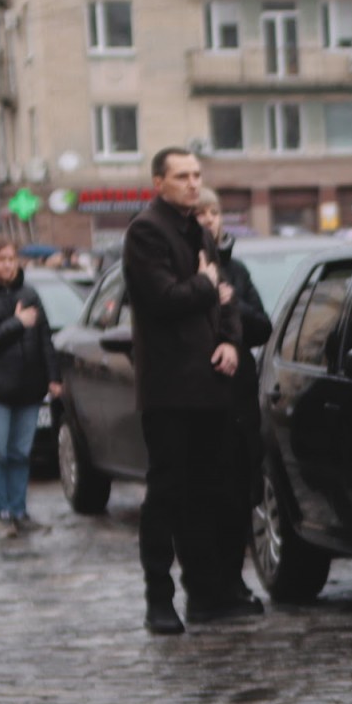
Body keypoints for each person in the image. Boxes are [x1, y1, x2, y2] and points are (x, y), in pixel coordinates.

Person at [123, 146, 257, 636]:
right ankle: (158, 598)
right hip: (169, 388)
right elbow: (163, 300)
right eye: (182, 176)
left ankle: (209, 594)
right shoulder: (145, 232)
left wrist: (230, 342)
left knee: (212, 492)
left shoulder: (199, 231)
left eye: (197, 175)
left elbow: (228, 301)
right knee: (167, 493)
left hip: (212, 384)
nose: (192, 183)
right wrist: (203, 284)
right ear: (159, 182)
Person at [195, 189, 273, 586]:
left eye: (214, 212)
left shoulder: (237, 269)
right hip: (198, 392)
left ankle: (235, 577)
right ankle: (211, 580)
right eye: (200, 213)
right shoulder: (178, 271)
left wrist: (232, 304)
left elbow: (262, 326)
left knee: (243, 485)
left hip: (239, 392)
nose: (208, 219)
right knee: (206, 491)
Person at [0, 237, 61, 540]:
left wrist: (53, 377)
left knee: (20, 453)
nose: (7, 265)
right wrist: (17, 323)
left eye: (11, 259)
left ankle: (20, 511)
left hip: (28, 388)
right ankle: (2, 515)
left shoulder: (29, 292)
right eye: (0, 259)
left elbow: (44, 337)